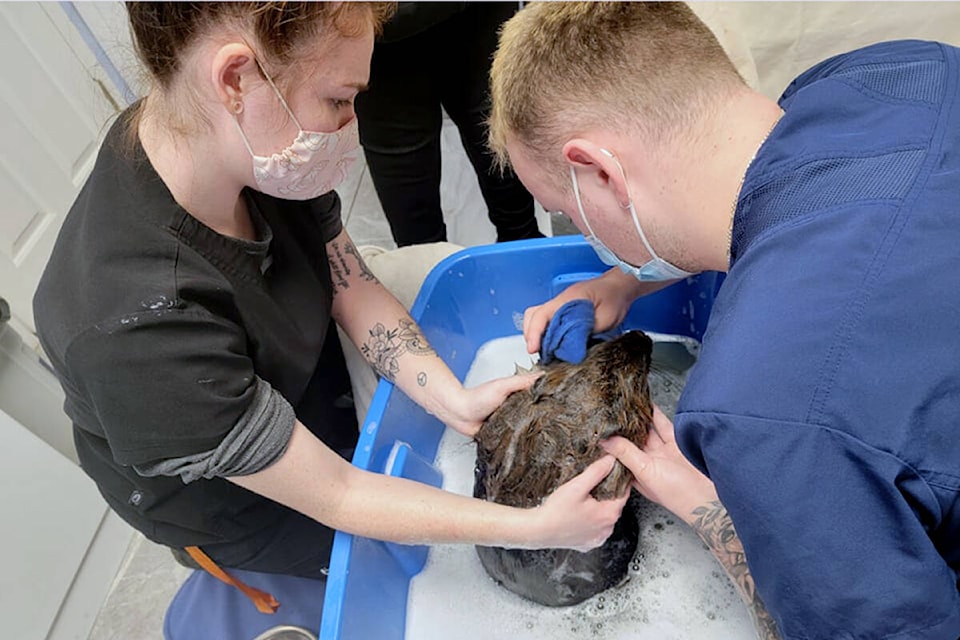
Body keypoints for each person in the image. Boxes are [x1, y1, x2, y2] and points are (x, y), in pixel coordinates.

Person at [32, 0, 627, 595]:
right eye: (340, 101)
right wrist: (530, 528)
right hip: (234, 499)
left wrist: (454, 400)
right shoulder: (132, 329)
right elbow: (340, 494)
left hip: (290, 369)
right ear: (236, 79)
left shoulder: (230, 136)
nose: (352, 125)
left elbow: (349, 281)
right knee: (389, 561)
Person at [487, 2, 960, 639]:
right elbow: (811, 206)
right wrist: (624, 280)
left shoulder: (761, 415)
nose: (576, 228)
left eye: (564, 209)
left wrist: (712, 506)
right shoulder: (893, 70)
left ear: (600, 170)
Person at [353, 2, 542, 246]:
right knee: (418, 231)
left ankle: (523, 249)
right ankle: (432, 269)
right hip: (374, 40)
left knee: (496, 133)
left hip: (473, 22)